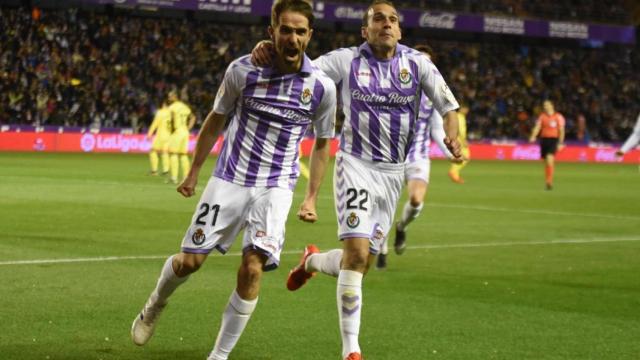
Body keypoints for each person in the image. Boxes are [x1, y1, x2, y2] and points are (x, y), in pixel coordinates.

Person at [253, 2, 461, 359]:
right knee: (358, 253)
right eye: (378, 19)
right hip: (356, 165)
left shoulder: (418, 64)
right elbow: (301, 69)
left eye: (393, 19)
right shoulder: (346, 60)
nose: (386, 24)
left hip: (394, 174)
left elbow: (448, 106)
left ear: (400, 30)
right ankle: (351, 350)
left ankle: (311, 262)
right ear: (365, 31)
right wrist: (267, 51)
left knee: (361, 263)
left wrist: (453, 137)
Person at [130, 2, 337, 360]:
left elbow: (322, 145)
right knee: (189, 262)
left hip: (276, 187)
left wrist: (311, 197)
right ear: (272, 30)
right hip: (229, 179)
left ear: (310, 36)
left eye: (300, 31)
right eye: (285, 29)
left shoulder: (321, 87)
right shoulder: (243, 70)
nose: (293, 37)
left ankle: (219, 355)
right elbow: (216, 118)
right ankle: (155, 304)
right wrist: (194, 171)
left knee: (253, 267)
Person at [377, 44, 456, 269]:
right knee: (384, 206)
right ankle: (381, 248)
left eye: (428, 62)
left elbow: (437, 129)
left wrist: (449, 151)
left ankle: (401, 227)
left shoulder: (432, 96)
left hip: (418, 156)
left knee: (416, 199)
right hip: (390, 156)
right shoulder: (392, 87)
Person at [529, 100, 565, 190]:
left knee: (549, 159)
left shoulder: (558, 117)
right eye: (544, 105)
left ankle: (549, 182)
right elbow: (538, 127)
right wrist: (533, 136)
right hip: (544, 140)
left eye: (547, 105)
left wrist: (560, 142)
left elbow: (561, 130)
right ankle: (547, 180)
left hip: (553, 140)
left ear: (552, 105)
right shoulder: (542, 117)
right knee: (546, 162)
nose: (545, 107)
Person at [167, 90, 196, 184]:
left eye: (170, 96)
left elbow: (170, 120)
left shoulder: (172, 107)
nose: (169, 98)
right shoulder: (185, 107)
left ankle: (174, 177)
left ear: (175, 96)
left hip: (177, 132)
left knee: (173, 154)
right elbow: (193, 117)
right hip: (185, 132)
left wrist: (171, 130)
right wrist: (188, 128)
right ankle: (185, 177)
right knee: (183, 155)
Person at [147, 100, 172, 176]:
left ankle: (154, 170)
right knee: (165, 153)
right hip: (170, 136)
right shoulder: (172, 113)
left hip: (161, 135)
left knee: (153, 151)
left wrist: (150, 133)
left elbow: (155, 123)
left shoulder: (160, 112)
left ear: (164, 104)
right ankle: (166, 171)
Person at [448, 102, 470, 184]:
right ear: (463, 109)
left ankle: (455, 173)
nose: (467, 111)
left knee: (462, 157)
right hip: (459, 140)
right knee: (465, 157)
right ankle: (453, 172)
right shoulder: (460, 117)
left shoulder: (459, 116)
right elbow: (459, 130)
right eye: (466, 109)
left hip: (458, 139)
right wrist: (464, 141)